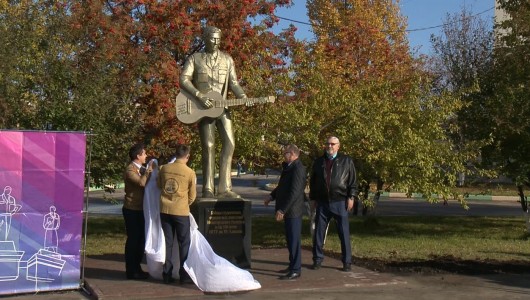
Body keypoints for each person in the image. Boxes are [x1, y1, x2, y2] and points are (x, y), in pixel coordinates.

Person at [180, 25, 247, 199]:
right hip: (203, 109)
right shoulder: (195, 58)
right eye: (212, 38)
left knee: (230, 143)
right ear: (205, 38)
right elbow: (184, 79)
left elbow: (234, 82)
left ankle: (224, 188)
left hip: (223, 109)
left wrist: (242, 95)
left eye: (218, 39)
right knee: (208, 147)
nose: (216, 42)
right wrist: (199, 96)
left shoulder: (227, 59)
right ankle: (208, 188)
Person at [309, 136, 358, 272]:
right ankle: (317, 260)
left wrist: (351, 197)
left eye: (332, 144)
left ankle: (346, 262)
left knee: (344, 233)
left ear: (338, 146)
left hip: (340, 201)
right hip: (323, 203)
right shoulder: (319, 162)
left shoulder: (346, 161)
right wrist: (313, 198)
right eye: (327, 143)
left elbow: (352, 181)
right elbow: (313, 182)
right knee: (319, 232)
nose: (329, 146)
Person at [265, 144, 306, 280]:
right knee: (289, 239)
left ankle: (296, 269)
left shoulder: (298, 168)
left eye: (285, 153)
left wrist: (283, 209)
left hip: (293, 211)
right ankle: (292, 264)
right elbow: (282, 186)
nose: (283, 155)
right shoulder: (288, 167)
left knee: (294, 240)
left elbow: (295, 192)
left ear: (293, 154)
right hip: (287, 209)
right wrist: (271, 196)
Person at [157, 144, 197, 284]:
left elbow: (159, 185)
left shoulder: (164, 168)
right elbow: (192, 196)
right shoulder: (190, 172)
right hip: (181, 211)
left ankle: (166, 273)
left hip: (165, 210)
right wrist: (184, 203)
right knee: (183, 243)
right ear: (187, 156)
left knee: (167, 242)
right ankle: (184, 274)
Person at [123, 143, 153, 280]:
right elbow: (141, 183)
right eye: (144, 153)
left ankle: (137, 268)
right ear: (138, 156)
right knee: (133, 240)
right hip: (132, 209)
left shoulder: (141, 168)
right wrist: (148, 171)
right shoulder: (130, 170)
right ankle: (131, 270)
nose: (146, 155)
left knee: (141, 240)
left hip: (142, 209)